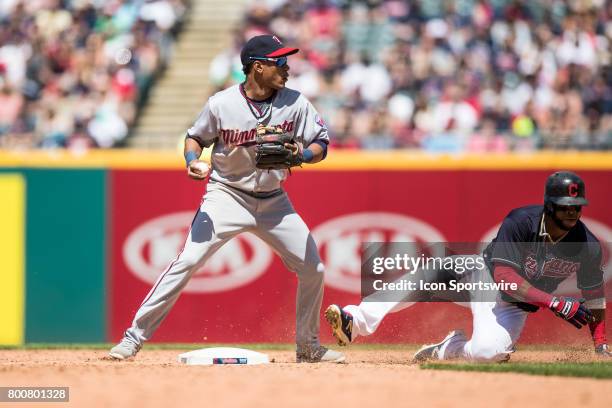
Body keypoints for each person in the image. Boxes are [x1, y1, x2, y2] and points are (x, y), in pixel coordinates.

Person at [110, 35, 344, 363]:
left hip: (275, 200)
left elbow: (321, 142)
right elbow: (195, 138)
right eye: (279, 62)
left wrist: (303, 153)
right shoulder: (222, 103)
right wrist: (192, 161)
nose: (286, 68)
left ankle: (308, 347)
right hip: (227, 195)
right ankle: (132, 339)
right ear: (258, 67)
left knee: (313, 268)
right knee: (188, 261)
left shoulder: (296, 102)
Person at [325, 171, 611, 362]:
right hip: (482, 275)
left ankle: (447, 349)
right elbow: (503, 275)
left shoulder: (587, 245)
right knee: (428, 273)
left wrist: (600, 344)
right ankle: (356, 321)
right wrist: (555, 303)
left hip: (513, 306)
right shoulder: (522, 222)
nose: (572, 212)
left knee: (486, 353)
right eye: (564, 206)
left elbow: (596, 298)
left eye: (576, 206)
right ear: (549, 205)